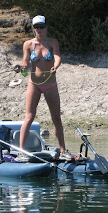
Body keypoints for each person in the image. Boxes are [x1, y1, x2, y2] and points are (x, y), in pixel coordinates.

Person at [14, 15, 71, 162]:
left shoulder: (52, 42)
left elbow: (57, 57)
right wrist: (21, 69)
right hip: (34, 84)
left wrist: (55, 66)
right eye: (36, 27)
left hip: (50, 84)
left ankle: (63, 151)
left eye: (41, 26)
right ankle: (22, 152)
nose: (39, 29)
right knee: (29, 117)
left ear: (46, 27)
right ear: (33, 29)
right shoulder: (28, 44)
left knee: (56, 118)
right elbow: (26, 66)